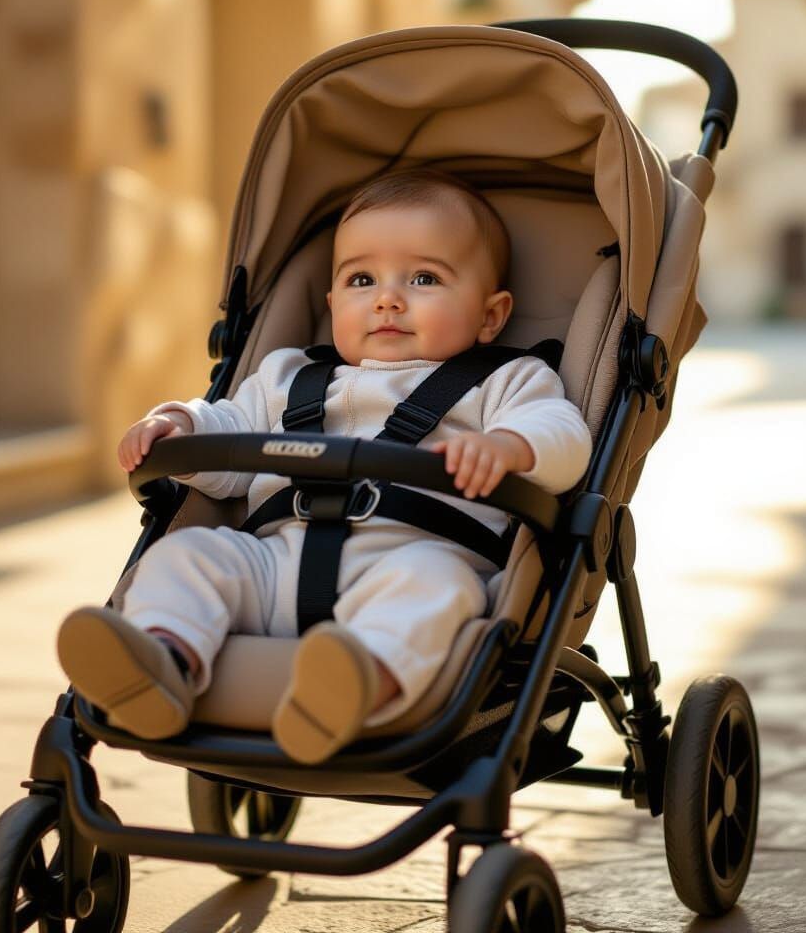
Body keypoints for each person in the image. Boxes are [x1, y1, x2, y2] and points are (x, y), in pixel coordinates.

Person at [57, 168, 593, 763]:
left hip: (409, 560)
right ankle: (164, 660)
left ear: (491, 316)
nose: (388, 298)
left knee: (439, 591)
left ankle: (359, 682)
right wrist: (180, 426)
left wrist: (512, 447)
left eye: (424, 277)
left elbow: (565, 438)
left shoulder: (507, 381)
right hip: (275, 567)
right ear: (333, 303)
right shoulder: (288, 376)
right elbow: (228, 442)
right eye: (362, 279)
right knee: (189, 556)